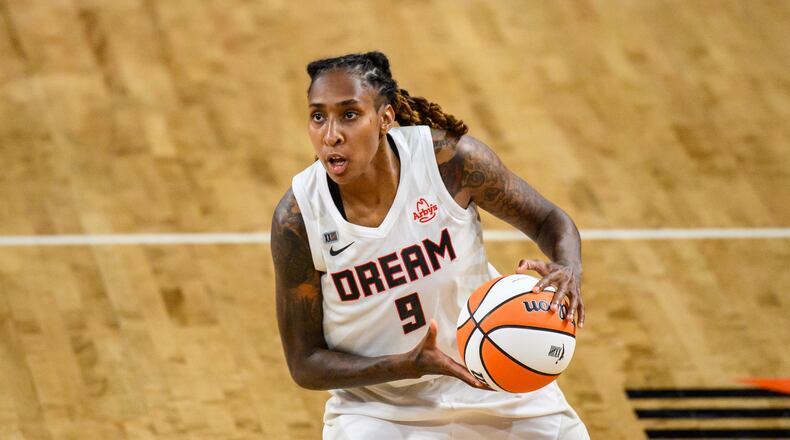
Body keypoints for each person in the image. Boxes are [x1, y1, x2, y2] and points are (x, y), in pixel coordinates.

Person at [271, 51, 589, 439]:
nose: (331, 134)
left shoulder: (451, 164)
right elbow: (305, 364)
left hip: (495, 379)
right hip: (378, 409)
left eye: (349, 114)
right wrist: (408, 365)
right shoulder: (299, 218)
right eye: (318, 116)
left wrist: (568, 267)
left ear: (385, 117)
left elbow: (549, 220)